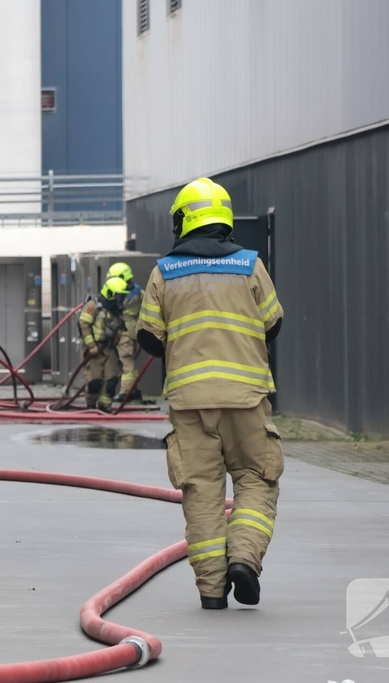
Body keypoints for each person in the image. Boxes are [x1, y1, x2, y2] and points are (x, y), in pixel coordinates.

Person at [137, 177, 283, 610]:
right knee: (257, 479)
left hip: (189, 403)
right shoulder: (251, 265)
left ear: (184, 219)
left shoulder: (164, 271)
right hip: (247, 399)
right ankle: (244, 558)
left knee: (201, 492)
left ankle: (211, 592)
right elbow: (274, 323)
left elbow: (148, 337)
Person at [78, 277, 128, 413]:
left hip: (109, 348)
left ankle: (105, 405)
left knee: (112, 379)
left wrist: (118, 335)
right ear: (110, 293)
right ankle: (90, 406)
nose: (121, 298)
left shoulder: (116, 308)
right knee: (94, 381)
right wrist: (91, 345)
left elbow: (120, 324)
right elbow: (84, 325)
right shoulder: (93, 305)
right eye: (119, 295)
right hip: (94, 349)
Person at [107, 262, 144, 404]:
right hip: (133, 331)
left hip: (123, 333)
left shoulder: (120, 295)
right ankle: (133, 390)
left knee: (126, 363)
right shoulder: (139, 292)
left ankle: (124, 393)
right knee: (128, 363)